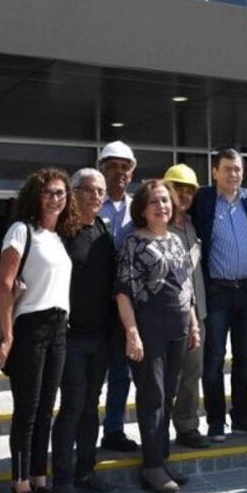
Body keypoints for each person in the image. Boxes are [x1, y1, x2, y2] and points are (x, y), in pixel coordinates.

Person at [0, 167, 77, 493]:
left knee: (45, 411)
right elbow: (4, 284)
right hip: (30, 329)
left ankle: (41, 485)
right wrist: (7, 336)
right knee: (26, 413)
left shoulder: (58, 238)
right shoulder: (20, 231)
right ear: (34, 196)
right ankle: (19, 492)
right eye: (48, 192)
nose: (55, 198)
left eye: (60, 193)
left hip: (59, 328)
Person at [114, 179, 200, 493]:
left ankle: (162, 458)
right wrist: (132, 333)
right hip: (148, 332)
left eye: (165, 201)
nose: (161, 206)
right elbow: (123, 292)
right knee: (152, 397)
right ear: (142, 208)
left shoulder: (176, 241)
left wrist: (193, 324)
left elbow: (186, 287)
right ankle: (150, 466)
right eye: (154, 202)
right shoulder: (133, 243)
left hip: (178, 332)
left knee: (168, 396)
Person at [190, 148, 247, 442]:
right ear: (214, 172)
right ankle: (215, 421)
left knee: (245, 359)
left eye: (237, 169)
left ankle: (242, 417)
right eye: (227, 169)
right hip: (217, 292)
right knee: (213, 360)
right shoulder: (204, 199)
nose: (233, 175)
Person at [50, 168, 118, 493]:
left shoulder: (103, 230)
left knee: (92, 407)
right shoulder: (62, 232)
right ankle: (61, 481)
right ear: (74, 193)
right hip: (71, 337)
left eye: (100, 191)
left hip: (100, 336)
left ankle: (86, 470)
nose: (96, 196)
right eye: (89, 190)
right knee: (73, 406)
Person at [97, 140, 140, 453]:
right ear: (102, 170)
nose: (120, 173)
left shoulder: (138, 207)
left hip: (127, 302)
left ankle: (113, 430)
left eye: (126, 167)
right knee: (89, 372)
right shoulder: (88, 204)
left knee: (120, 371)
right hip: (92, 301)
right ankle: (81, 430)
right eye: (113, 166)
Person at [164, 164, 210, 449]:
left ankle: (187, 426)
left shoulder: (193, 225)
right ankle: (157, 430)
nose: (183, 194)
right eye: (177, 188)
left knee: (193, 373)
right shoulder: (157, 225)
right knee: (167, 376)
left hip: (198, 313)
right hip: (167, 316)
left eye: (188, 190)